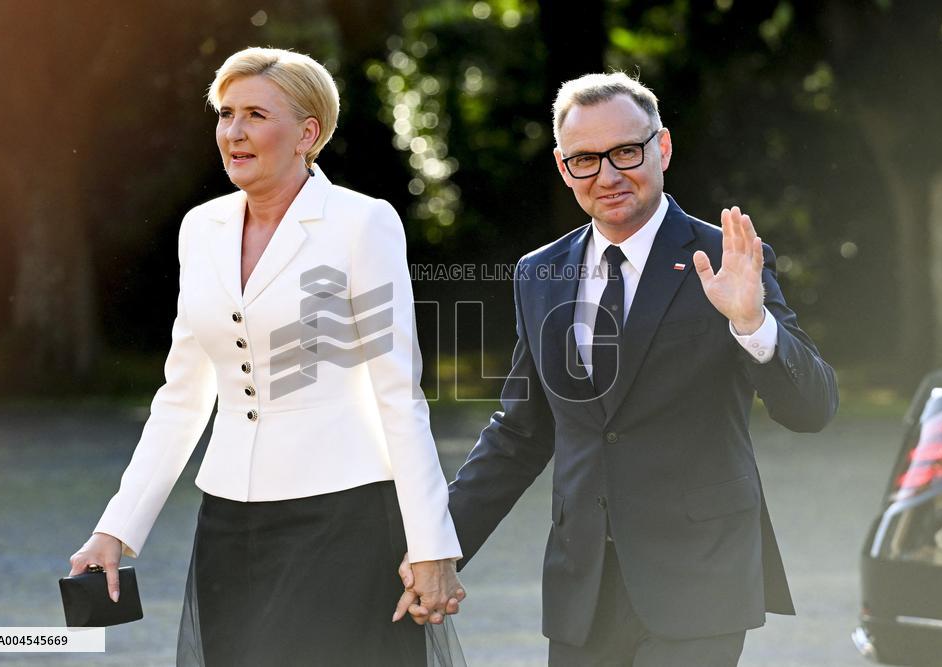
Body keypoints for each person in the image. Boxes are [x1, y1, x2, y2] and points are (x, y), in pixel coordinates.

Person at [398, 72, 838, 666]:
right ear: (562, 166)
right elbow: (521, 432)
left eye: (626, 151)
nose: (606, 175)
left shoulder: (726, 258)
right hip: (583, 587)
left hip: (699, 577)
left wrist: (751, 323)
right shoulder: (539, 273)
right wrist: (439, 545)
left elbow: (812, 408)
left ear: (662, 147)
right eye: (584, 159)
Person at [67, 47, 465, 666]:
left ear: (308, 132)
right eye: (226, 114)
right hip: (229, 521)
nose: (234, 132)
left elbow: (398, 392)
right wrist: (116, 528)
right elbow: (182, 396)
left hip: (344, 515)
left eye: (255, 114)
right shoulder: (200, 228)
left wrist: (431, 543)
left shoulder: (363, 223)